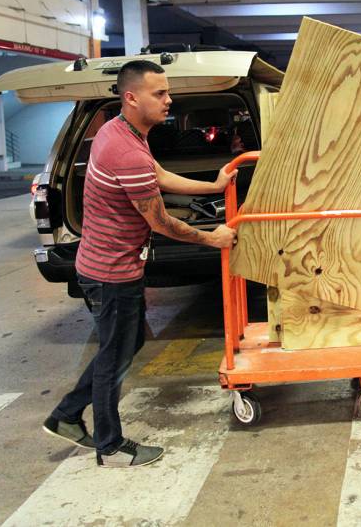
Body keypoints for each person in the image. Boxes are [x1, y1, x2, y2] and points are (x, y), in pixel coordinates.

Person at [42, 60, 238, 468]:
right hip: (110, 273)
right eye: (160, 93)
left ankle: (64, 416)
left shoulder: (121, 131)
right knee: (115, 354)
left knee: (126, 345)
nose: (169, 100)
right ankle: (109, 446)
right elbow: (161, 221)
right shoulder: (124, 149)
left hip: (108, 265)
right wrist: (213, 237)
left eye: (167, 92)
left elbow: (159, 174)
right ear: (131, 97)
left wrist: (214, 185)